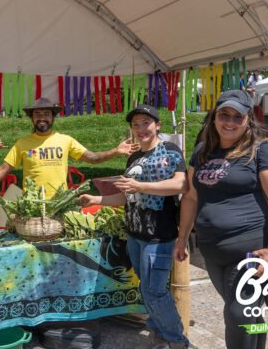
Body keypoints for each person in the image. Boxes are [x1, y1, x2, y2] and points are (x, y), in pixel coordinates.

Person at [174, 90, 268, 349]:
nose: (230, 122)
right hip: (212, 251)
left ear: (248, 119)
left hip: (251, 249)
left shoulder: (263, 151)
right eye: (224, 115)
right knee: (242, 311)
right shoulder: (203, 151)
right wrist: (182, 237)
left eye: (237, 117)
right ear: (214, 117)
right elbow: (191, 196)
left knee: (237, 313)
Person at [79, 105, 188, 349]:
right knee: (146, 288)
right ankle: (159, 335)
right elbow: (126, 196)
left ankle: (177, 341)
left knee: (155, 291)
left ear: (158, 124)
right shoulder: (134, 157)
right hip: (135, 236)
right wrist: (97, 199)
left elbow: (180, 185)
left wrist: (141, 186)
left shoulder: (170, 151)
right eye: (136, 125)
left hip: (159, 236)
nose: (141, 129)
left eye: (146, 123)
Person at [0, 97, 135, 199]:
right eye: (37, 114)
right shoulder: (22, 143)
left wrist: (116, 150)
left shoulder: (65, 140)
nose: (42, 118)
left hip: (60, 203)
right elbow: (2, 170)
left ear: (52, 117)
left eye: (46, 114)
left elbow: (92, 158)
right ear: (32, 119)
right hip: (33, 204)